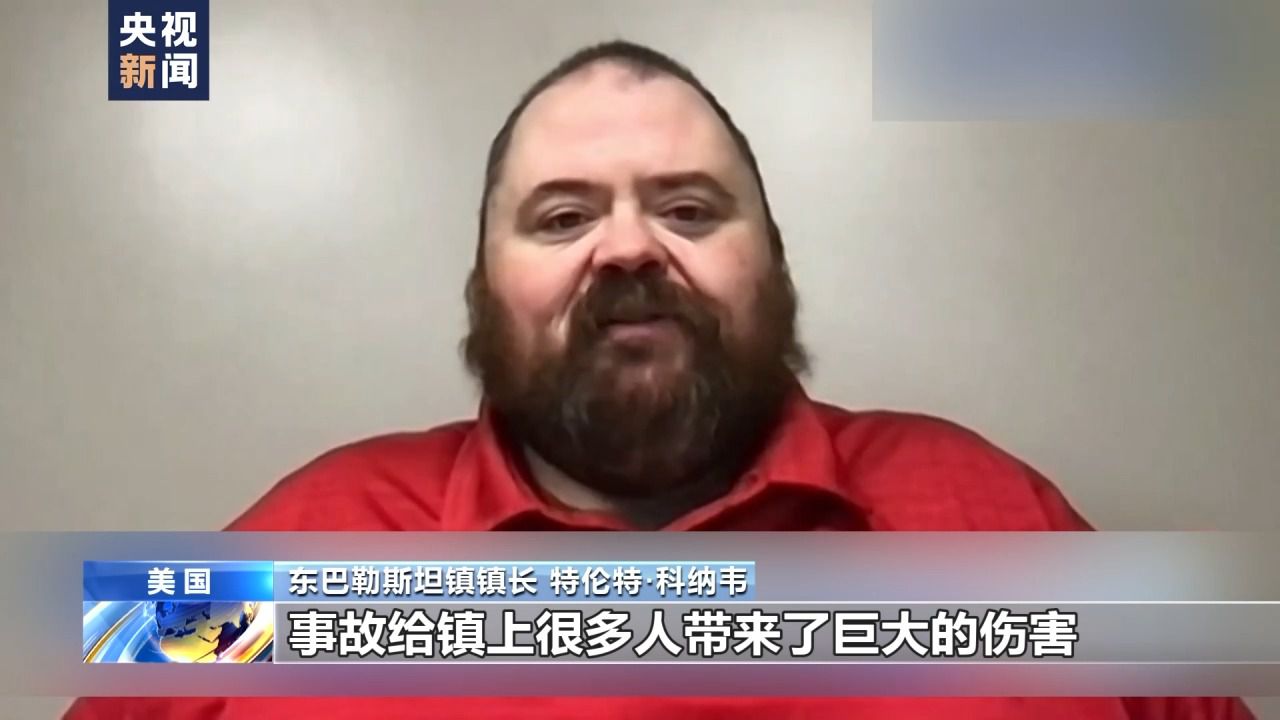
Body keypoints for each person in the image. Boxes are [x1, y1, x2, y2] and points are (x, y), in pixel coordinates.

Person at [66, 40, 1254, 719]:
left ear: (770, 266)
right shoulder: (282, 547)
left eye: (687, 209)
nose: (628, 249)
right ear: (483, 288)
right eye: (562, 216)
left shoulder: (994, 512)